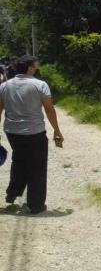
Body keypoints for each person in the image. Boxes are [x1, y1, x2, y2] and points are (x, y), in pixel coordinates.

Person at [0, 55, 64, 214]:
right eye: (35, 66)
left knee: (19, 159)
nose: (37, 69)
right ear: (29, 68)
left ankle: (12, 193)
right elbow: (49, 109)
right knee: (37, 167)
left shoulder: (5, 86)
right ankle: (36, 205)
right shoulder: (40, 85)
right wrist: (56, 130)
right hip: (35, 133)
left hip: (12, 132)